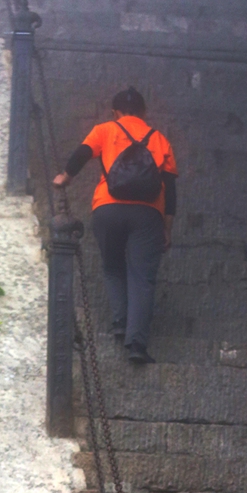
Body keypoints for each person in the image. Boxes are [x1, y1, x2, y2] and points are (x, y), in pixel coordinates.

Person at [53, 86, 177, 364]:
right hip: (148, 213)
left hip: (107, 208)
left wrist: (65, 178)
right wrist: (167, 228)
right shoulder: (160, 139)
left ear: (114, 112)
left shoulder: (105, 130)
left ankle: (120, 322)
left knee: (112, 267)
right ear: (144, 112)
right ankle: (137, 344)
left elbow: (82, 153)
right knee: (142, 276)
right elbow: (170, 190)